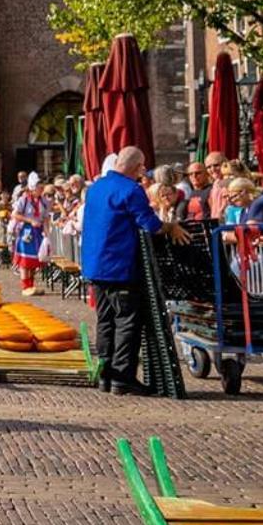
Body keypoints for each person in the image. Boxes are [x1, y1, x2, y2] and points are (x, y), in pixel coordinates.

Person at [81, 146, 189, 396]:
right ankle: (123, 376)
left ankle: (105, 375)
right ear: (137, 167)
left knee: (105, 320)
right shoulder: (131, 190)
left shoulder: (96, 187)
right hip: (119, 266)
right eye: (142, 167)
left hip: (96, 264)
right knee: (127, 321)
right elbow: (150, 224)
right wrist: (171, 227)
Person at [12, 174, 46, 294]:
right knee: (25, 261)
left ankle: (31, 285)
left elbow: (45, 216)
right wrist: (30, 220)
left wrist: (46, 229)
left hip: (38, 233)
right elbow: (15, 214)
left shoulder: (42, 200)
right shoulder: (24, 199)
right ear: (33, 188)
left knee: (33, 261)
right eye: (39, 188)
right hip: (26, 232)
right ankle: (25, 286)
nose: (42, 190)